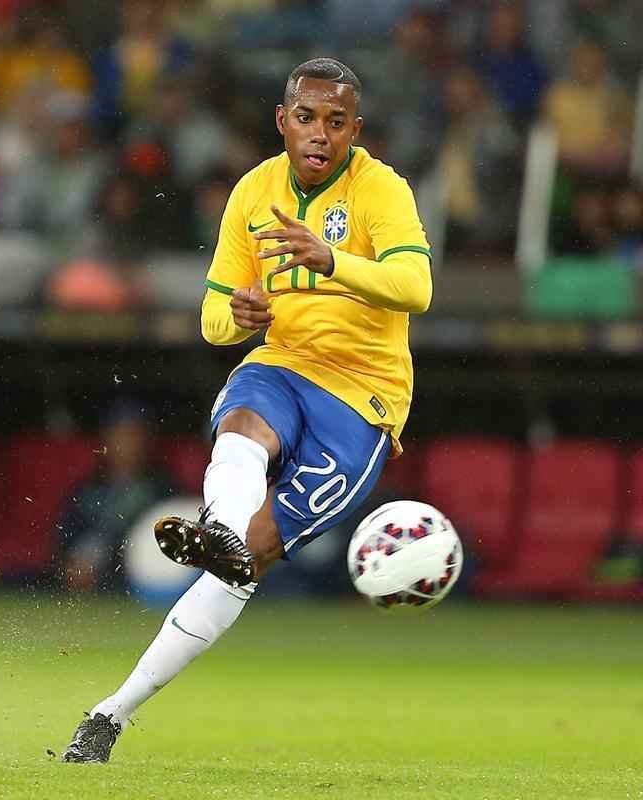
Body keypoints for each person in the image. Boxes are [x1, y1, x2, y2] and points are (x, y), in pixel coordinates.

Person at [62, 57, 432, 762]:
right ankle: (219, 527)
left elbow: (415, 287)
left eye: (334, 121)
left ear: (355, 129)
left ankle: (111, 712)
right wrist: (241, 315)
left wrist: (330, 261)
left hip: (362, 403)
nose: (318, 133)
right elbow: (212, 319)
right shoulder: (253, 191)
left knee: (249, 562)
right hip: (284, 361)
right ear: (282, 121)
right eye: (305, 117)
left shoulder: (382, 189)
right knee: (241, 428)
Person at [55, 402, 177, 592]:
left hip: (132, 583)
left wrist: (106, 558)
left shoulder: (164, 489)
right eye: (119, 434)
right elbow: (63, 537)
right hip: (83, 586)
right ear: (105, 440)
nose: (126, 443)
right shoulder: (87, 489)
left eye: (133, 434)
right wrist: (72, 563)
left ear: (146, 440)